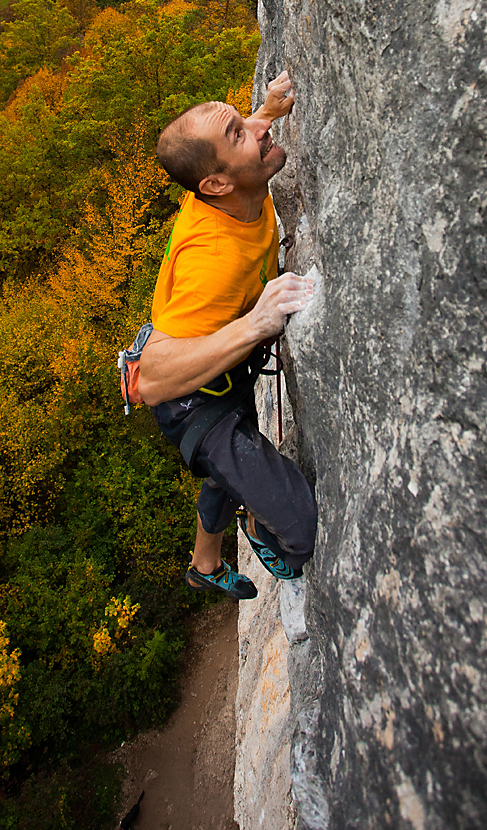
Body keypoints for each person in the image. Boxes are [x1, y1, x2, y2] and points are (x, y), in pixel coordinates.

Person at [138, 71, 318, 600]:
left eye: (243, 124)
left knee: (223, 474)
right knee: (301, 525)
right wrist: (257, 324)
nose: (255, 131)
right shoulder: (212, 261)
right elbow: (151, 379)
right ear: (215, 184)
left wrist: (266, 110)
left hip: (221, 368)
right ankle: (261, 528)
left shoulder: (227, 182)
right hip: (193, 400)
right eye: (239, 132)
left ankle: (204, 562)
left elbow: (235, 143)